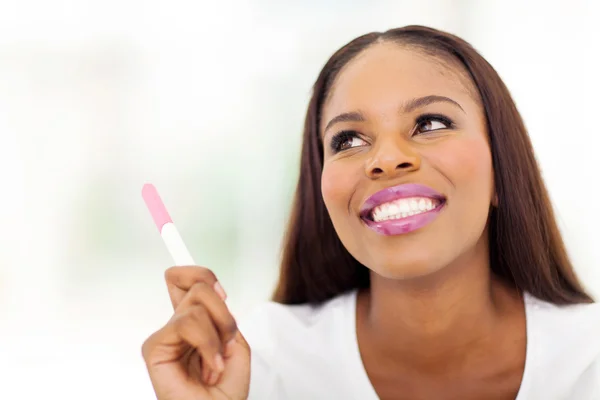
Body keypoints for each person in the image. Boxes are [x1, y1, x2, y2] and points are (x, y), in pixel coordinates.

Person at [141, 25, 600, 400]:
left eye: (430, 123)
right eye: (349, 140)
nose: (385, 159)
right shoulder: (254, 365)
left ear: (502, 169)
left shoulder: (587, 362)